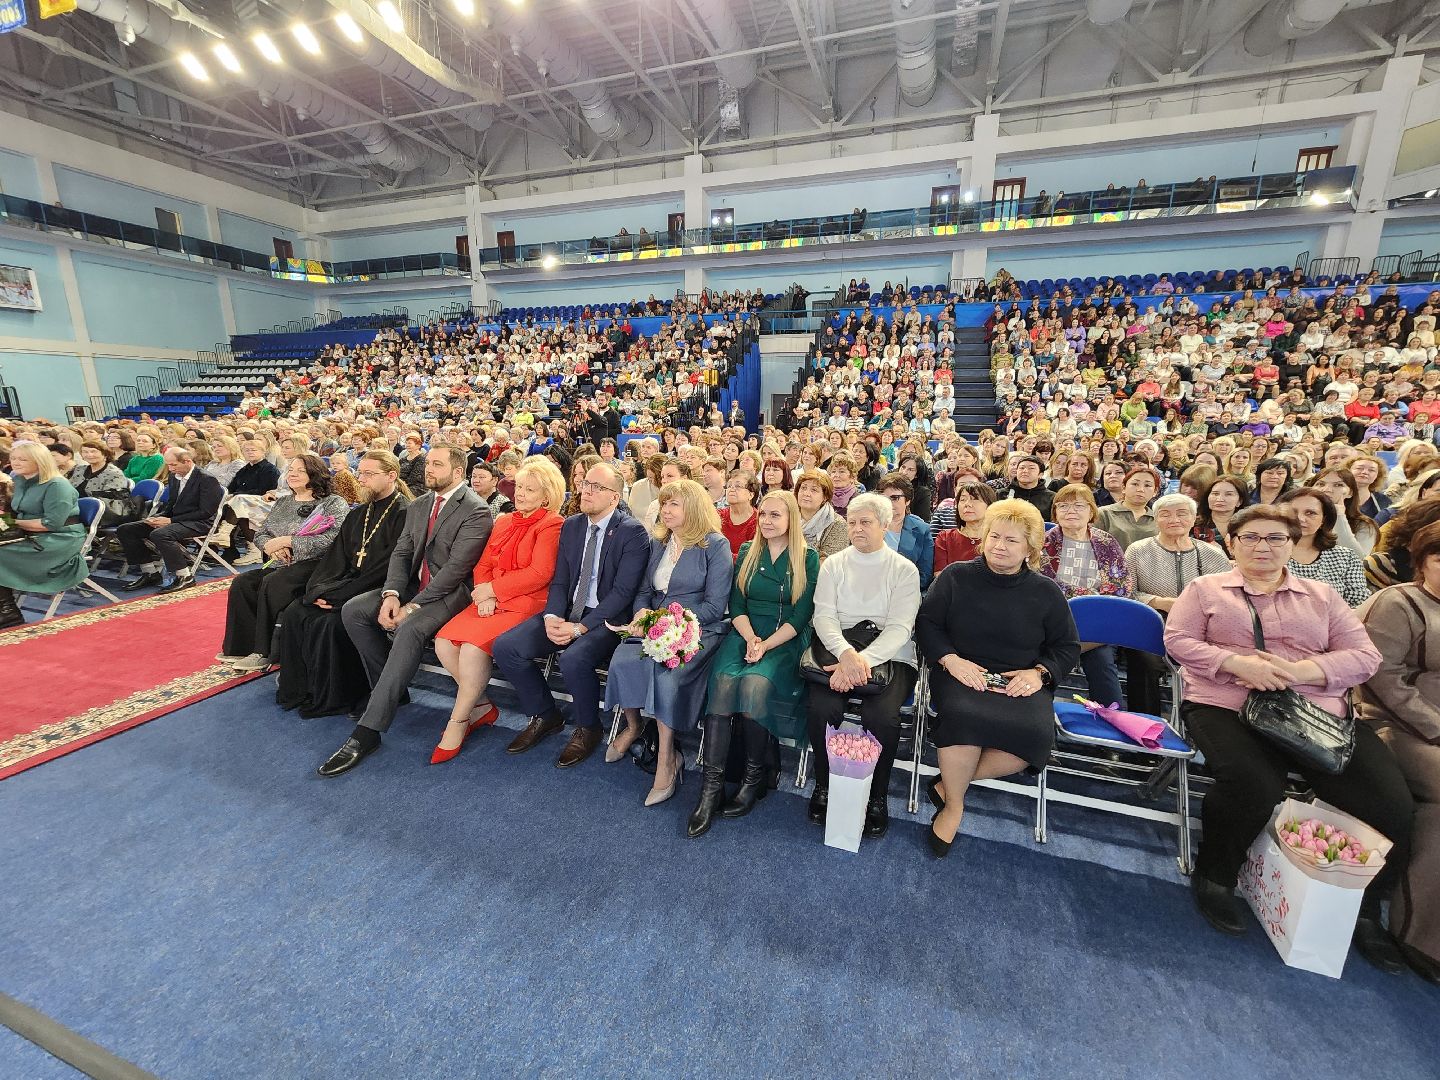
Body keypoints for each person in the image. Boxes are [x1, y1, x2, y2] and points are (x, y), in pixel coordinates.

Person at [1164, 504, 1413, 972]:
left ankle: (1365, 912)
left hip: (1314, 713)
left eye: (1275, 538)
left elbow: (1364, 656)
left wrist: (1302, 671)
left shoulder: (1321, 597)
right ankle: (1216, 877)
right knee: (1251, 783)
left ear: (1291, 544)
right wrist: (1238, 664)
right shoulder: (1205, 589)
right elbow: (1178, 641)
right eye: (1251, 537)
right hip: (1226, 703)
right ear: (1232, 543)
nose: (1263, 546)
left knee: (1391, 805)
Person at [317, 446, 493, 777]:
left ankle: (368, 731)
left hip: (450, 594)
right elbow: (402, 553)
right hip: (413, 587)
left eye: (437, 464)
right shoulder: (419, 504)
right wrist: (392, 594)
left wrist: (413, 606)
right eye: (428, 463)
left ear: (458, 472)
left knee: (409, 629)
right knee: (355, 610)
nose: (429, 469)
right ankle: (392, 690)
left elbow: (455, 571)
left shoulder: (476, 510)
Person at [918, 500, 1080, 856]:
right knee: (963, 717)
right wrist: (951, 660)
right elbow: (927, 624)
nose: (998, 546)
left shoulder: (1046, 592)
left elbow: (1067, 647)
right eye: (993, 536)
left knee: (1035, 736)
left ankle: (949, 783)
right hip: (961, 671)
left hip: (1019, 677)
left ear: (1030, 550)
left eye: (1011, 540)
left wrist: (1040, 673)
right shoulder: (957, 576)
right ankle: (954, 805)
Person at [492, 462, 651, 768]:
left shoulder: (632, 533)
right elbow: (561, 579)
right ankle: (546, 714)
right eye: (586, 484)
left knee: (573, 659)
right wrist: (552, 616)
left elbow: (622, 594)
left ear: (614, 498)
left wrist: (580, 628)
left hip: (606, 618)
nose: (587, 490)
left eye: (597, 487)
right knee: (506, 647)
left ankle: (588, 727)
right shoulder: (572, 525)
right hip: (565, 611)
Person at [690, 491, 819, 837]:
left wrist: (765, 645)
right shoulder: (748, 551)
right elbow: (737, 604)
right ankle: (711, 787)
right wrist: (750, 640)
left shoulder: (807, 558)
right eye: (763, 514)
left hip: (785, 637)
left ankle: (753, 778)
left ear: (791, 519)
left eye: (776, 515)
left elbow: (802, 614)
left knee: (754, 685)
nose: (766, 521)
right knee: (723, 683)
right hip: (747, 632)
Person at [604, 479, 732, 806]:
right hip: (656, 624)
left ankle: (667, 757)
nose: (666, 510)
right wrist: (642, 615)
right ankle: (634, 726)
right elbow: (645, 591)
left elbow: (716, 607)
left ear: (694, 509)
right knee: (622, 661)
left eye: (674, 504)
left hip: (697, 627)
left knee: (666, 675)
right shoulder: (660, 542)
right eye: (664, 504)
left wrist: (670, 623)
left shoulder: (714, 546)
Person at [430, 458, 567, 764]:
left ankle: (458, 721)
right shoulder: (504, 521)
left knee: (470, 649)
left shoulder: (552, 524)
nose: (520, 494)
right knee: (443, 643)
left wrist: (494, 590)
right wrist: (484, 594)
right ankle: (480, 706)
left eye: (530, 490)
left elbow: (539, 573)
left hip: (527, 602)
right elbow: (484, 564)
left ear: (546, 496)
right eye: (519, 486)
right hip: (491, 599)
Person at [805, 493, 922, 840]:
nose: (857, 528)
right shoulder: (834, 564)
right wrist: (845, 655)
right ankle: (824, 785)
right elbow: (823, 616)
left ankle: (877, 795)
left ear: (885, 526)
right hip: (837, 652)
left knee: (881, 715)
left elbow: (901, 628)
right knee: (821, 706)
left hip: (891, 656)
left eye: (866, 522)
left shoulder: (904, 570)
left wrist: (861, 661)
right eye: (852, 522)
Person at [1355, 522, 1440, 983]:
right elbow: (1383, 680)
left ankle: (1422, 933)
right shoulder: (1399, 603)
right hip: (1394, 723)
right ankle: (1414, 930)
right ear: (1421, 562)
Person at [273, 452, 410, 718]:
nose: (362, 479)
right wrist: (319, 590)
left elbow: (391, 566)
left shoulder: (404, 513)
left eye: (369, 474)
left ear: (391, 476)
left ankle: (341, 696)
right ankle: (302, 691)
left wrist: (340, 597)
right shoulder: (359, 513)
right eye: (362, 473)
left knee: (330, 623)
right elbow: (336, 557)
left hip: (378, 587)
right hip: (347, 583)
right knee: (296, 611)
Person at [215, 453, 348, 670]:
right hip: (280, 562)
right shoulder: (284, 501)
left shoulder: (333, 503)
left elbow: (332, 539)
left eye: (300, 470)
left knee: (273, 583)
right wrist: (271, 547)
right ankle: (240, 647)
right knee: (243, 583)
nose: (293, 474)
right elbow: (262, 533)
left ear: (315, 474)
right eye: (291, 470)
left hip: (317, 564)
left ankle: (264, 651)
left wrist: (290, 541)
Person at [1040, 484, 1129, 708]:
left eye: (1079, 505)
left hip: (1095, 624)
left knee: (1102, 661)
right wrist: (1086, 596)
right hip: (1053, 622)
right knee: (1044, 657)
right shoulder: (1043, 542)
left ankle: (1111, 721)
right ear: (1055, 512)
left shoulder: (1107, 542)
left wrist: (1089, 603)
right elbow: (1040, 586)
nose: (1071, 511)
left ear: (1091, 511)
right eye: (1063, 506)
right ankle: (1039, 712)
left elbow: (1120, 587)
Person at [115, 446, 224, 593]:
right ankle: (150, 573)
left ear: (187, 461)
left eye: (174, 465)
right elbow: (172, 503)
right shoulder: (174, 476)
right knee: (126, 529)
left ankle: (185, 576)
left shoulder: (207, 479)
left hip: (200, 522)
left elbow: (205, 512)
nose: (170, 469)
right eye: (168, 465)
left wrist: (170, 521)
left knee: (161, 534)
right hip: (176, 519)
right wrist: (160, 517)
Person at [0, 442, 86, 628]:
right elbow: (17, 513)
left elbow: (51, 524)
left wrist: (10, 523)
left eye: (23, 459)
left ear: (40, 461)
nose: (16, 462)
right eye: (14, 458)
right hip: (28, 532)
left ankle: (8, 612)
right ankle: (6, 608)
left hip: (59, 539)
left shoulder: (57, 485)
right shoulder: (21, 481)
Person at [1276, 488, 1369, 607]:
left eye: (1310, 513)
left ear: (1323, 520)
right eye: (1293, 512)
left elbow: (1360, 604)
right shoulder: (1266, 552)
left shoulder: (1346, 557)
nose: (1300, 518)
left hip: (1336, 623)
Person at [878, 473, 934, 590]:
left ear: (907, 500)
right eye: (884, 498)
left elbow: (925, 575)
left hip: (907, 593)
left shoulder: (922, 530)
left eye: (895, 498)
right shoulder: (869, 525)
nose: (888, 503)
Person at [933, 479, 995, 571]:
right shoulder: (945, 538)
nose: (967, 504)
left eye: (975, 499)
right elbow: (940, 575)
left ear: (990, 505)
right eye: (962, 500)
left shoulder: (997, 539)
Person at [1096, 465, 1159, 550]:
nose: (1140, 489)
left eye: (1147, 485)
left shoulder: (1158, 519)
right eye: (1135, 484)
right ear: (1123, 488)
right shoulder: (1104, 513)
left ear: (1155, 492)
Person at [69, 440, 132, 525]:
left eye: (93, 451)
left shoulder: (114, 473)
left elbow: (112, 499)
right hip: (73, 507)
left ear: (105, 454)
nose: (89, 455)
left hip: (101, 511)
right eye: (85, 452)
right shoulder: (79, 469)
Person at [795, 469, 848, 559]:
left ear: (825, 497)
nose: (806, 493)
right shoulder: (787, 517)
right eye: (803, 488)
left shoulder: (837, 524)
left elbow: (829, 564)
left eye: (814, 490)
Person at [719, 471, 758, 557]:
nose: (731, 489)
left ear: (751, 495)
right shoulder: (717, 516)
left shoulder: (758, 521)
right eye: (729, 486)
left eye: (738, 486)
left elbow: (752, 557)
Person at [1006, 454, 1055, 520]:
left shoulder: (1051, 498)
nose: (1025, 471)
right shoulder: (1002, 493)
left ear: (1040, 474)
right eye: (1022, 468)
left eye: (1031, 468)